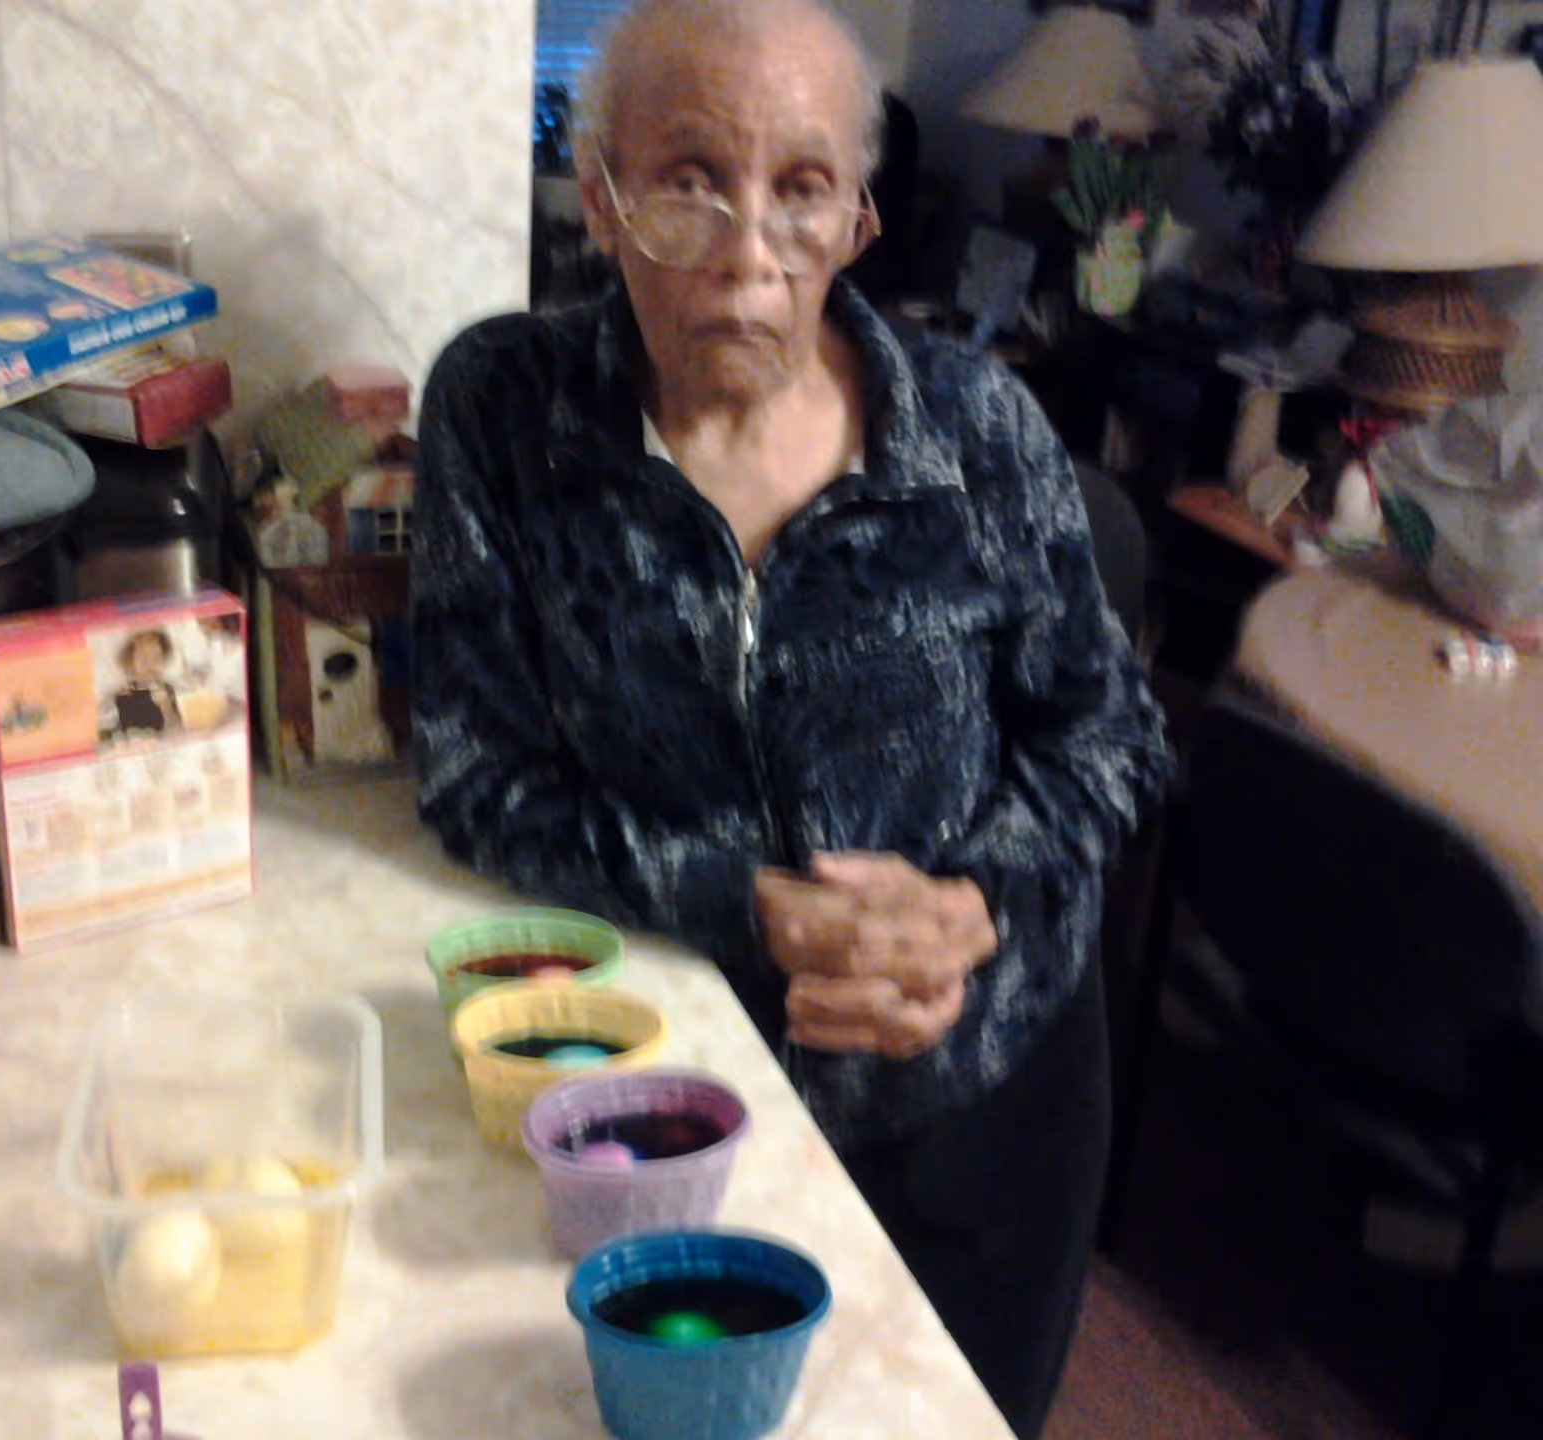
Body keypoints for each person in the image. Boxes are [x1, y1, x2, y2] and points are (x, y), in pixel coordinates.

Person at [409, 1, 1173, 1434]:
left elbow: (1112, 741)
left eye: (802, 190)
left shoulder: (978, 432)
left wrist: (968, 907)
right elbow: (467, 768)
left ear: (860, 221)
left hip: (982, 1086)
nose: (752, 257)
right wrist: (746, 900)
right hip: (675, 1096)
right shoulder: (504, 415)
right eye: (692, 181)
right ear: (606, 201)